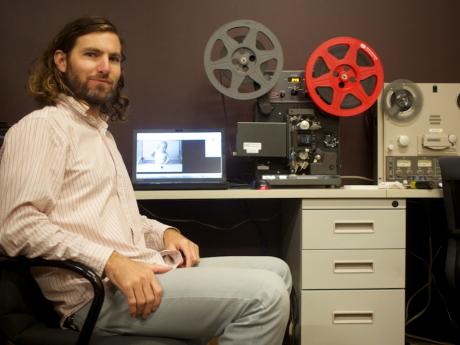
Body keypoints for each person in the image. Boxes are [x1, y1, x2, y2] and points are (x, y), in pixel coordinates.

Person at [0, 16, 291, 344]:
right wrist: (110, 262)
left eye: (113, 58)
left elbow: (115, 219)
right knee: (265, 296)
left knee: (277, 270)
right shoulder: (42, 127)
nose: (105, 67)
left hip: (139, 268)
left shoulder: (98, 133)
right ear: (61, 61)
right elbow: (17, 227)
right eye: (91, 55)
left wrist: (165, 233)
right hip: (96, 297)